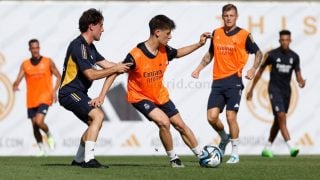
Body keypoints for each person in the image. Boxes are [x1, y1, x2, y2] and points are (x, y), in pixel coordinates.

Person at [118, 14, 211, 168]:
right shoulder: (135, 55)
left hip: (160, 95)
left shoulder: (164, 49)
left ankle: (202, 156)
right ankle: (174, 159)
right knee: (164, 122)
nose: (170, 37)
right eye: (168, 33)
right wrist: (102, 95)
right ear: (157, 32)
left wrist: (200, 44)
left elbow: (179, 53)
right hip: (140, 97)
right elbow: (116, 70)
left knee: (180, 125)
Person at [58, 8, 131, 168]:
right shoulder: (79, 46)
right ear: (91, 26)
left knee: (95, 121)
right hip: (68, 93)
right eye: (101, 25)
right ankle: (89, 160)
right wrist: (115, 69)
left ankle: (78, 160)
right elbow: (91, 74)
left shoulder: (90, 47)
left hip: (78, 93)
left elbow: (109, 65)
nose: (103, 29)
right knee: (98, 116)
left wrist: (128, 66)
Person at [191, 4, 263, 164]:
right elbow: (210, 54)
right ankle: (224, 138)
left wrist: (253, 69)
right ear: (222, 17)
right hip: (217, 82)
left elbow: (259, 53)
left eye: (231, 15)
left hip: (234, 81)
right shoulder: (216, 33)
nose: (228, 18)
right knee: (211, 117)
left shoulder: (244, 35)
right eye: (226, 15)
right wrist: (198, 69)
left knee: (231, 117)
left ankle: (235, 153)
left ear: (236, 17)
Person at [246, 30, 306, 158]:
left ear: (290, 41)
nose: (284, 42)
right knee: (281, 116)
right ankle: (291, 146)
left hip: (286, 92)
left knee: (278, 120)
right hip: (274, 89)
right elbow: (260, 72)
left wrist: (301, 82)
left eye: (287, 40)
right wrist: (251, 90)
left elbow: (298, 75)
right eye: (282, 40)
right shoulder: (272, 55)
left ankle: (267, 148)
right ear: (279, 41)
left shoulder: (294, 57)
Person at [13, 39, 62, 156]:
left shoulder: (48, 61)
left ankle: (49, 134)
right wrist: (15, 85)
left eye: (37, 48)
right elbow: (19, 78)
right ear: (29, 49)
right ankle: (41, 149)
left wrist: (55, 91)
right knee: (34, 126)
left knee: (39, 122)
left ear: (39, 48)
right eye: (33, 48)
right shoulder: (25, 64)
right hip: (31, 99)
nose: (35, 50)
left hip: (45, 97)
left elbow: (59, 76)